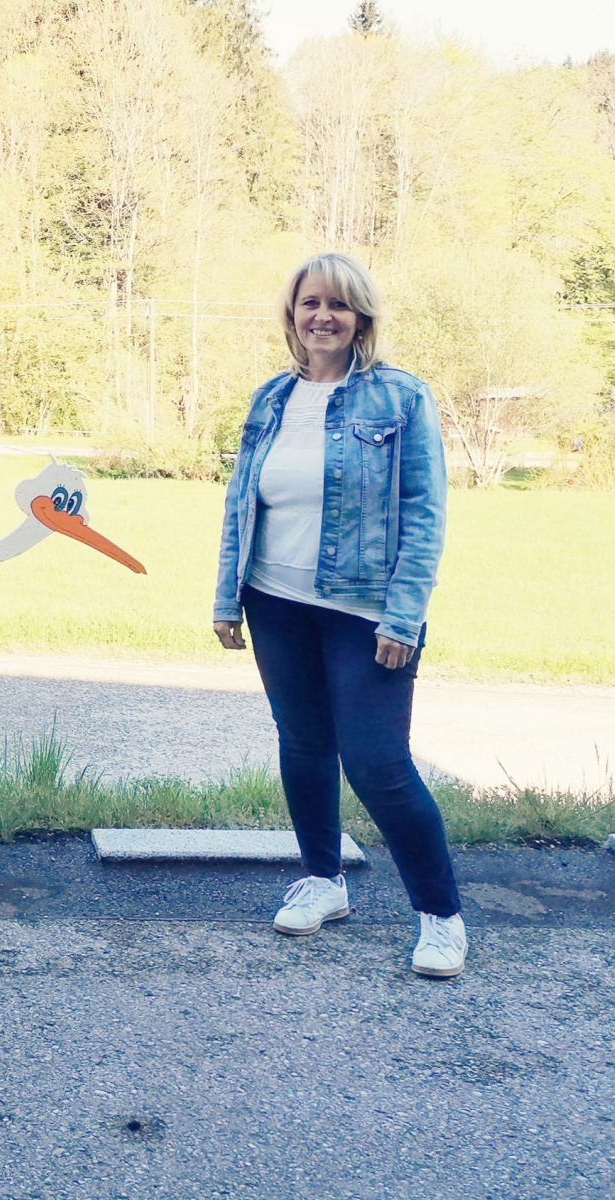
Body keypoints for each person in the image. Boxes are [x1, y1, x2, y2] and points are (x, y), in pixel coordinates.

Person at [213, 252, 466, 978]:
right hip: (274, 601)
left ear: (361, 317)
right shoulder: (270, 398)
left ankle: (440, 915)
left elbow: (424, 513)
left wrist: (403, 617)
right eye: (309, 303)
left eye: (337, 304)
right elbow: (240, 502)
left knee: (378, 764)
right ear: (291, 315)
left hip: (365, 612)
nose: (322, 315)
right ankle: (323, 880)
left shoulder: (400, 398)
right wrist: (227, 595)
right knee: (302, 744)